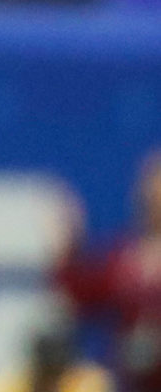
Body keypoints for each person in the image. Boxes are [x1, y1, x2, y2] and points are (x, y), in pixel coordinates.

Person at [57, 153, 161, 391]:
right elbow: (81, 299)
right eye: (153, 189)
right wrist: (67, 252)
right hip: (131, 381)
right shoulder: (124, 257)